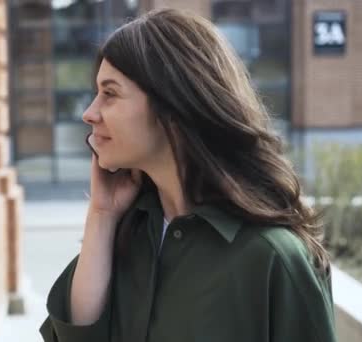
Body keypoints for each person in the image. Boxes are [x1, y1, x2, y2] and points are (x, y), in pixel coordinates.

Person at [39, 7, 336, 342]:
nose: (90, 113)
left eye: (110, 93)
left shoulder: (274, 260)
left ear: (174, 104)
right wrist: (102, 214)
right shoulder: (129, 234)